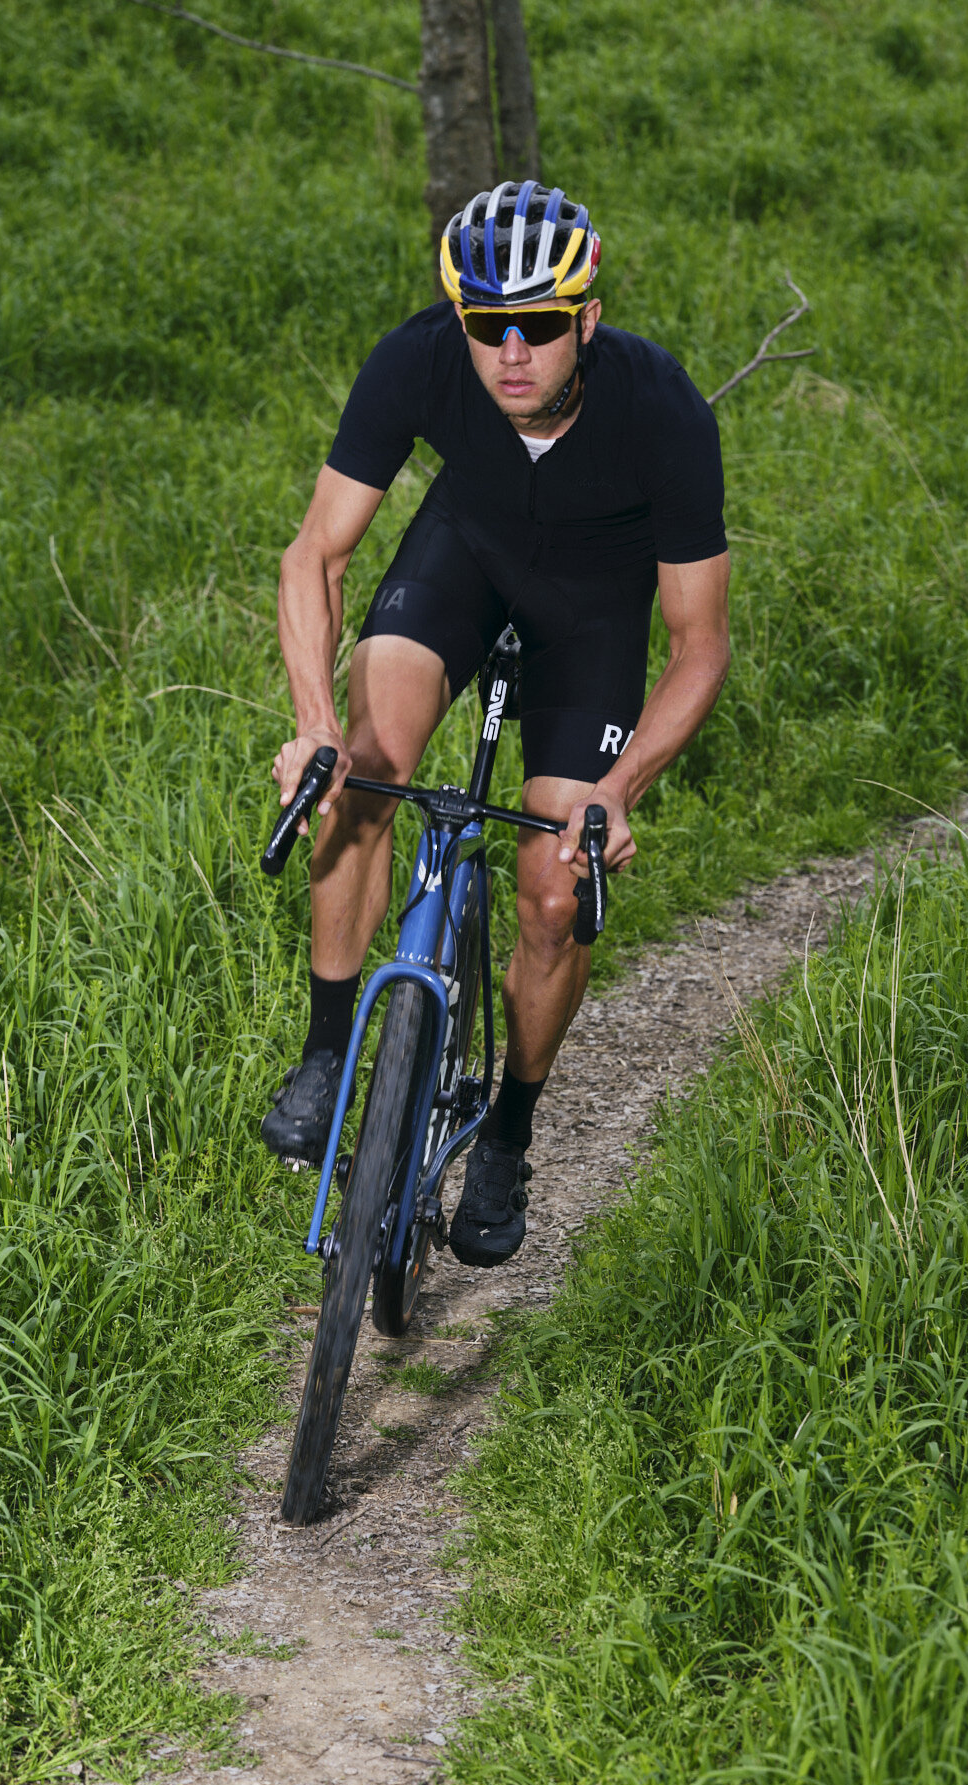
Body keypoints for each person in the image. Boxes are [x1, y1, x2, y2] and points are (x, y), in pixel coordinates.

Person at [263, 181, 731, 1267]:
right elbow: (314, 553)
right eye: (487, 326)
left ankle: (509, 1135)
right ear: (460, 322)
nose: (512, 351)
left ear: (589, 321)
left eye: (539, 326)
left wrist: (621, 792)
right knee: (360, 769)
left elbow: (699, 645)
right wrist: (313, 723)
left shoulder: (663, 410)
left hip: (591, 617)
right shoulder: (419, 358)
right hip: (461, 563)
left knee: (555, 888)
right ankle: (330, 1055)